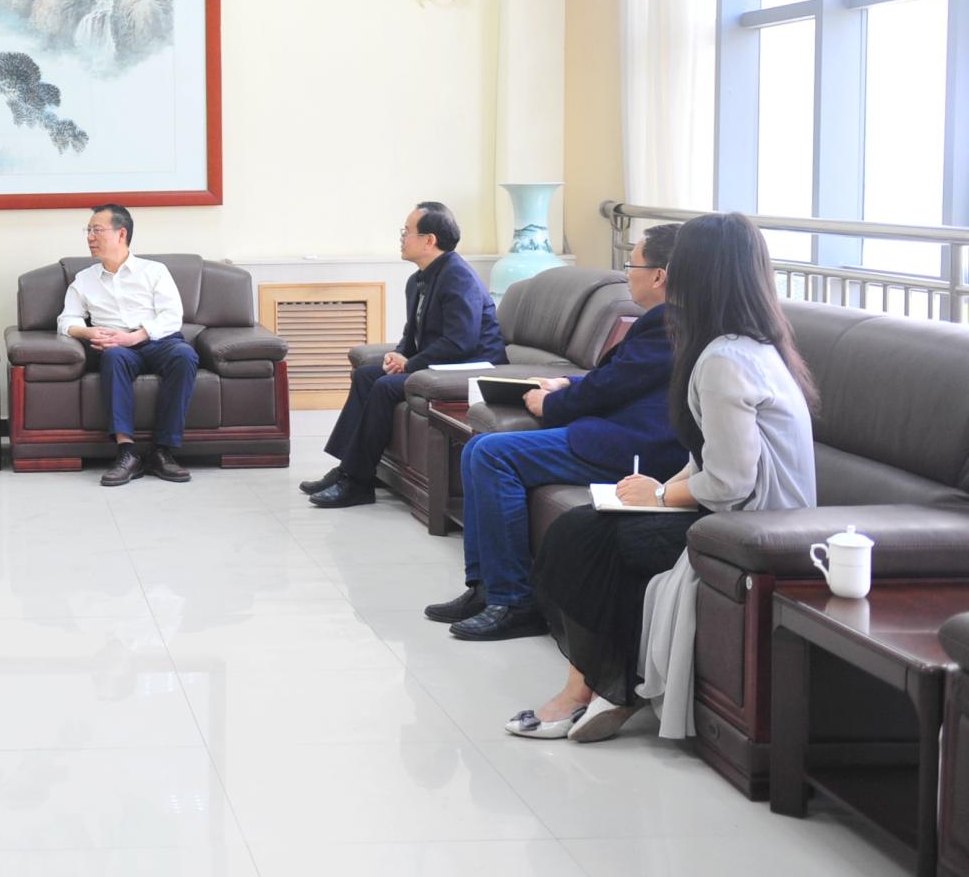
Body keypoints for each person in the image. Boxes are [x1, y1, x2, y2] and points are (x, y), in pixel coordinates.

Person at [507, 212, 817, 742]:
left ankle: (588, 690)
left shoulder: (724, 360)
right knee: (595, 530)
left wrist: (659, 493)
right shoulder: (749, 345)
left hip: (750, 528)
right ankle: (605, 687)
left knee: (582, 538)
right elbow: (707, 456)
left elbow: (731, 483)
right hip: (743, 516)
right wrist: (656, 495)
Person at [428, 224, 687, 641]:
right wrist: (567, 383)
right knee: (479, 447)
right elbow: (620, 378)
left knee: (491, 454)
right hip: (624, 433)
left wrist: (552, 404)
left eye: (632, 265)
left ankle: (514, 601)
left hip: (638, 447)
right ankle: (484, 587)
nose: (627, 275)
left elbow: (613, 387)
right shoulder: (668, 319)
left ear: (659, 275)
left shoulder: (669, 323)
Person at [305, 201, 507, 508]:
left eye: (407, 232)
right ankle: (349, 467)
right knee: (366, 375)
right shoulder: (418, 280)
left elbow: (460, 342)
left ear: (429, 240)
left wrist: (411, 364)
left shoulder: (459, 277)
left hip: (470, 367)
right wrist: (398, 355)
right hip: (441, 364)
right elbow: (412, 335)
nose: (402, 238)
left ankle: (357, 483)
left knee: (385, 387)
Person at [57, 203, 200, 487]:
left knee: (185, 355)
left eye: (97, 230)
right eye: (88, 230)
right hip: (116, 348)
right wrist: (87, 332)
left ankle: (162, 452)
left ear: (121, 234)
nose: (90, 237)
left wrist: (135, 336)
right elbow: (66, 320)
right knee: (113, 358)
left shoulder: (154, 271)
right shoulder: (84, 280)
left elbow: (172, 316)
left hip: (157, 340)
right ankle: (126, 453)